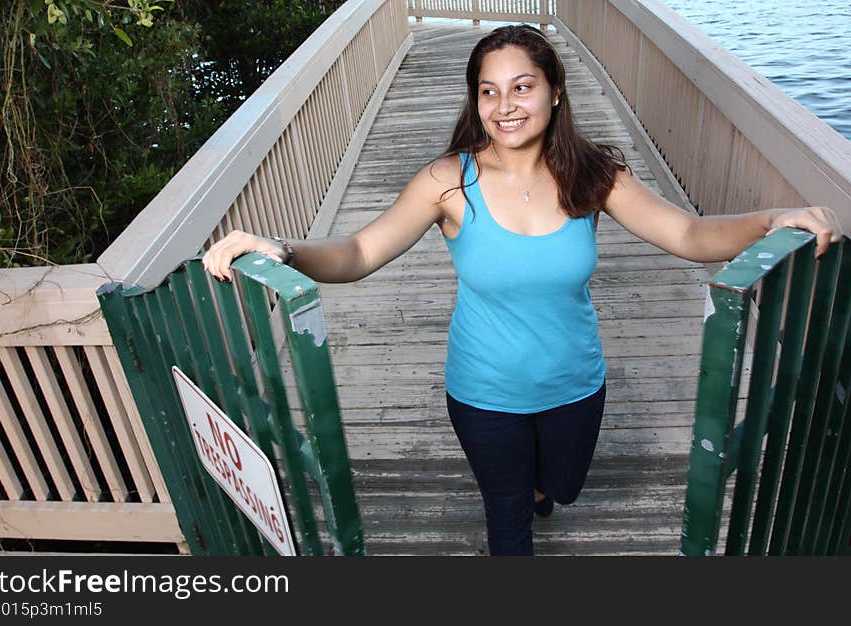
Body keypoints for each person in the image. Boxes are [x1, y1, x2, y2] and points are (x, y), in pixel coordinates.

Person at [202, 25, 843, 555]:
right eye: (488, 91)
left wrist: (770, 220)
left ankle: (543, 489)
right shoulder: (447, 181)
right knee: (507, 521)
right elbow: (360, 252)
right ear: (474, 101)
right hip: (484, 391)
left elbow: (690, 234)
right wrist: (281, 248)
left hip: (575, 382)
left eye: (522, 87)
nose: (505, 105)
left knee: (560, 488)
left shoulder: (596, 176)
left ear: (555, 92)